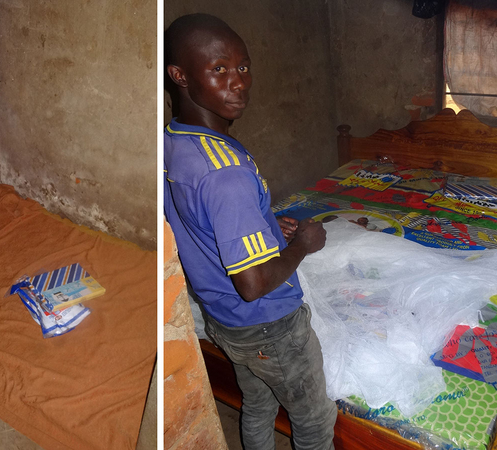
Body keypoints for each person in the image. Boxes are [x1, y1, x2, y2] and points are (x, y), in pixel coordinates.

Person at [164, 13, 337, 450]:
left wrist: (261, 224)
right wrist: (302, 245)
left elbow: (197, 219)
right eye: (219, 69)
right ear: (179, 75)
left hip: (225, 321)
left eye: (242, 67)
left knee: (258, 404)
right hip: (269, 325)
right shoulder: (227, 173)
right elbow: (253, 283)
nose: (239, 82)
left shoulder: (175, 142)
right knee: (315, 422)